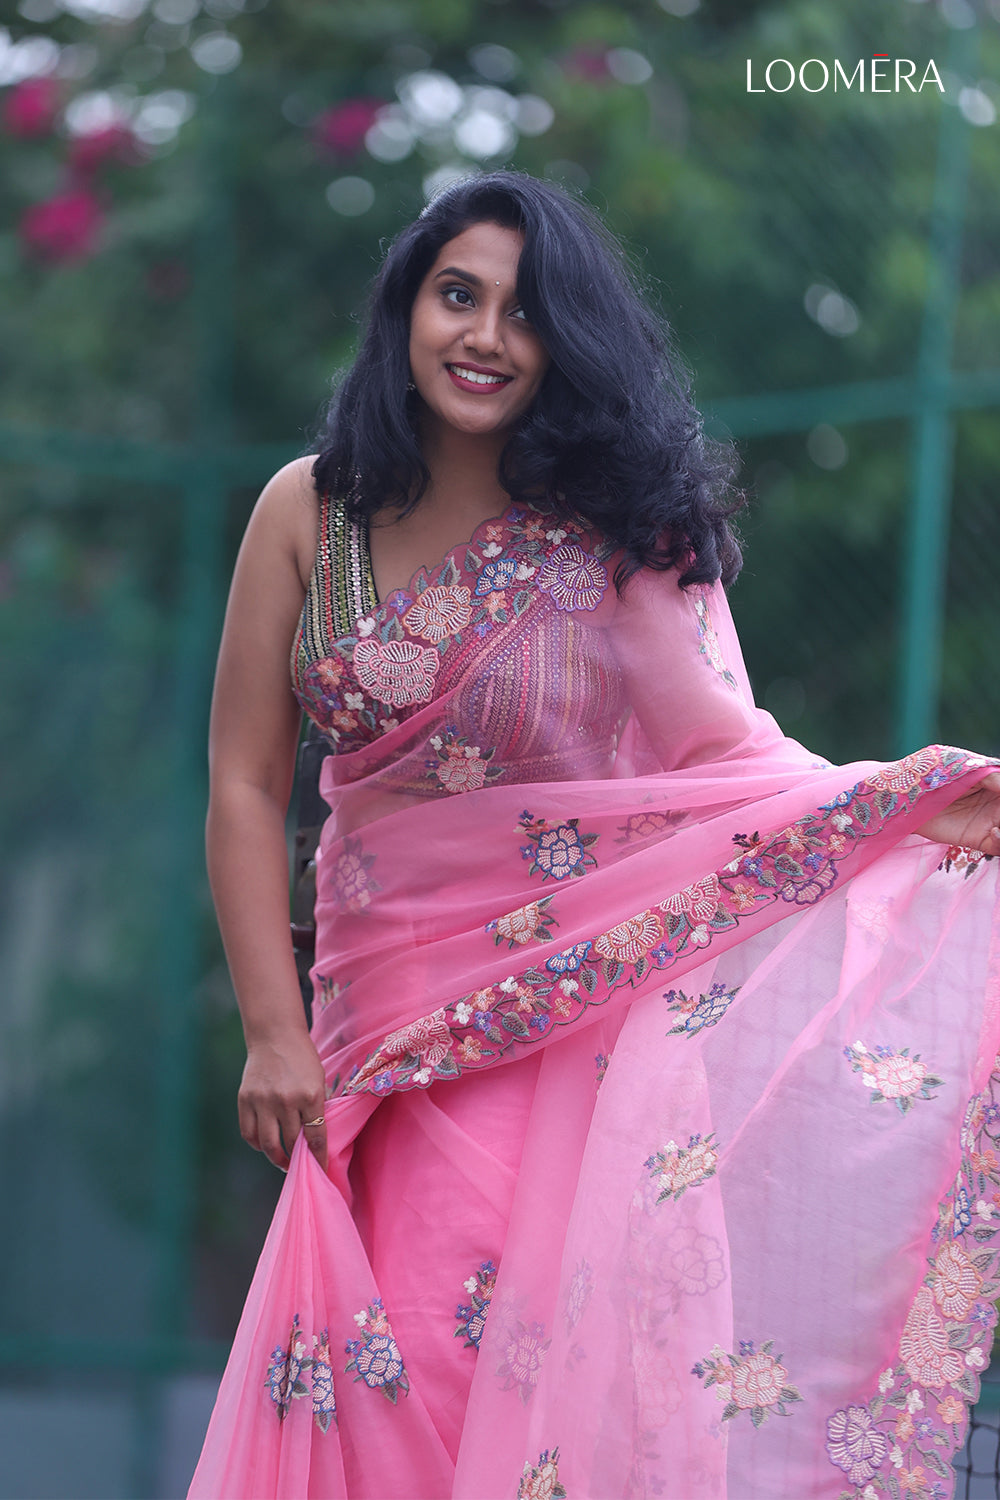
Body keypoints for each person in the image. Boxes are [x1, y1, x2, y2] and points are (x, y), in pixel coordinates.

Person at [189, 171, 1000, 1500]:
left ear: (567, 348)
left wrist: (909, 797)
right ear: (406, 308)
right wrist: (272, 1032)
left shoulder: (617, 532)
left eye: (526, 313)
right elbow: (240, 782)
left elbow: (730, 759)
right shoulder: (310, 511)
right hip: (364, 1025)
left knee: (491, 1359)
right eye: (458, 296)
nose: (485, 337)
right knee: (359, 1364)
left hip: (552, 1028)